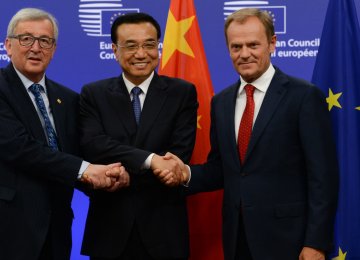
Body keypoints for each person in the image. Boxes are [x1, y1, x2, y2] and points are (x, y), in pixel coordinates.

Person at [156, 8, 339, 260]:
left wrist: (316, 243)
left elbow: (323, 178)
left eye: (253, 45)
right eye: (236, 46)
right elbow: (221, 169)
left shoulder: (304, 96)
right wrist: (184, 173)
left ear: (272, 44)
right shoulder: (221, 103)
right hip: (236, 238)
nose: (244, 54)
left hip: (290, 240)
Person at [0, 8, 129, 260]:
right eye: (26, 39)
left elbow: (77, 155)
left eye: (45, 41)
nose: (36, 47)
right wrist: (86, 170)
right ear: (8, 45)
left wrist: (107, 177)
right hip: (10, 228)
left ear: (54, 49)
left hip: (57, 229)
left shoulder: (68, 98)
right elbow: (20, 148)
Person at [79, 12, 198, 260]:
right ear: (114, 49)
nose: (141, 54)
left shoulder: (181, 93)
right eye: (131, 46)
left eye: (149, 44)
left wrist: (124, 173)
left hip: (164, 228)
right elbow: (94, 145)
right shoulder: (94, 94)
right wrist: (151, 160)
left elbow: (177, 156)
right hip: (109, 229)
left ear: (159, 47)